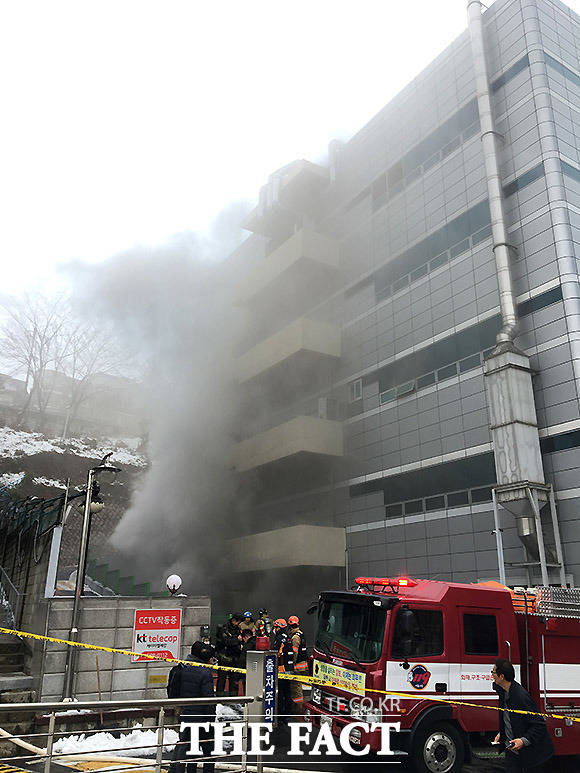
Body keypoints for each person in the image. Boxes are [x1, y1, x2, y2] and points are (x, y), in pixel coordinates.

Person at [491, 658, 554, 772]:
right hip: (512, 750)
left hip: (532, 753)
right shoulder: (503, 691)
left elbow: (539, 724)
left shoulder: (521, 696)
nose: (492, 675)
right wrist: (503, 732)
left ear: (502, 676)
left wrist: (523, 740)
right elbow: (510, 718)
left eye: (493, 672)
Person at [168, 641, 216, 773]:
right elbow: (208, 700)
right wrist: (211, 719)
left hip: (185, 713)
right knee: (209, 749)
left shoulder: (183, 666)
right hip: (201, 717)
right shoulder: (204, 673)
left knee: (185, 744)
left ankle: (176, 770)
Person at [215, 613, 243, 696]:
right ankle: (219, 699)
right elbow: (226, 641)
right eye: (238, 622)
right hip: (224, 658)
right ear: (233, 620)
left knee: (234, 681)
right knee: (221, 680)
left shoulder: (238, 629)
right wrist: (237, 640)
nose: (239, 624)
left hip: (235, 658)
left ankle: (233, 699)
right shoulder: (223, 629)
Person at [285, 615, 309, 714]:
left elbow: (294, 653)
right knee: (298, 686)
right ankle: (297, 707)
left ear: (290, 626)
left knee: (296, 687)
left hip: (297, 666)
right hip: (302, 665)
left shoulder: (295, 637)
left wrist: (291, 665)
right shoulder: (301, 634)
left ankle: (297, 708)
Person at [271, 618, 291, 725]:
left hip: (280, 670)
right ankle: (287, 714)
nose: (274, 629)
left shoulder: (279, 639)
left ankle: (280, 716)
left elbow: (277, 654)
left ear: (279, 628)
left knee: (280, 693)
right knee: (287, 693)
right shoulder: (287, 637)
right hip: (288, 669)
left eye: (275, 627)